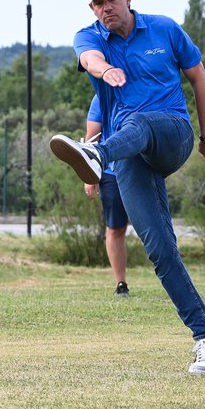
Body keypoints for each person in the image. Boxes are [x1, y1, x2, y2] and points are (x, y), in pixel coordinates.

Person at [50, 0, 205, 374]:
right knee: (160, 250)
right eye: (97, 3)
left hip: (172, 133)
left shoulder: (164, 29)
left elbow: (199, 78)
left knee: (140, 122)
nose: (105, 8)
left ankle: (96, 155)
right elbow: (89, 58)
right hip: (128, 154)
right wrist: (103, 70)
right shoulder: (90, 37)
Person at [85, 93, 130, 297]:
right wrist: (89, 175)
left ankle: (170, 279)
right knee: (116, 228)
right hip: (112, 173)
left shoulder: (145, 90)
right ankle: (121, 283)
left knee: (154, 227)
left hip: (143, 171)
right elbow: (92, 138)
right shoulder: (100, 98)